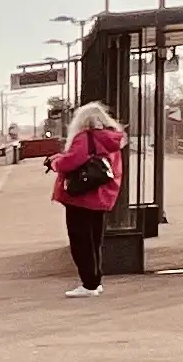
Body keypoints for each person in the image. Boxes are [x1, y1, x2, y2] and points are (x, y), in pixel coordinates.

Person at [52, 98, 128, 294]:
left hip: (82, 197)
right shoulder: (112, 139)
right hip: (102, 197)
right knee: (95, 241)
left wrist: (54, 162)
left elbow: (71, 161)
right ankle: (96, 281)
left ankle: (89, 285)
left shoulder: (85, 138)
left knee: (81, 242)